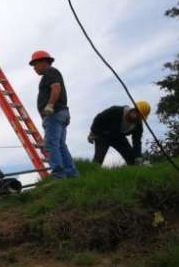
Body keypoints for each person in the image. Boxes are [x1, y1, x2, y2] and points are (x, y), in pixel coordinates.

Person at [30, 50, 79, 179]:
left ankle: (58, 175)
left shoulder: (50, 72)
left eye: (35, 64)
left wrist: (50, 105)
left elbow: (56, 88)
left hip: (54, 114)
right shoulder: (51, 73)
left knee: (51, 145)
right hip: (60, 113)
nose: (34, 68)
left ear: (44, 62)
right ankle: (71, 174)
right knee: (60, 145)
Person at [88, 101, 152, 166]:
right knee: (98, 159)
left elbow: (137, 142)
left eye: (139, 116)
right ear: (133, 109)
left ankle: (134, 173)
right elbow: (98, 118)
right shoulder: (116, 110)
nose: (136, 116)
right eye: (136, 112)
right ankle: (91, 173)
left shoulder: (138, 125)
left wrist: (138, 156)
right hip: (103, 135)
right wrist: (93, 132)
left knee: (132, 159)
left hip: (118, 138)